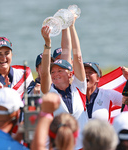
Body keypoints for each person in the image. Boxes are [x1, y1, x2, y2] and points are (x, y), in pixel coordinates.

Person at [40, 16, 88, 150]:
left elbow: (76, 55)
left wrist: (69, 25)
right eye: (53, 72)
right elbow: (44, 73)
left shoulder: (79, 87)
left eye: (60, 71)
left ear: (70, 73)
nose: (55, 74)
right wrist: (47, 43)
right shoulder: (49, 92)